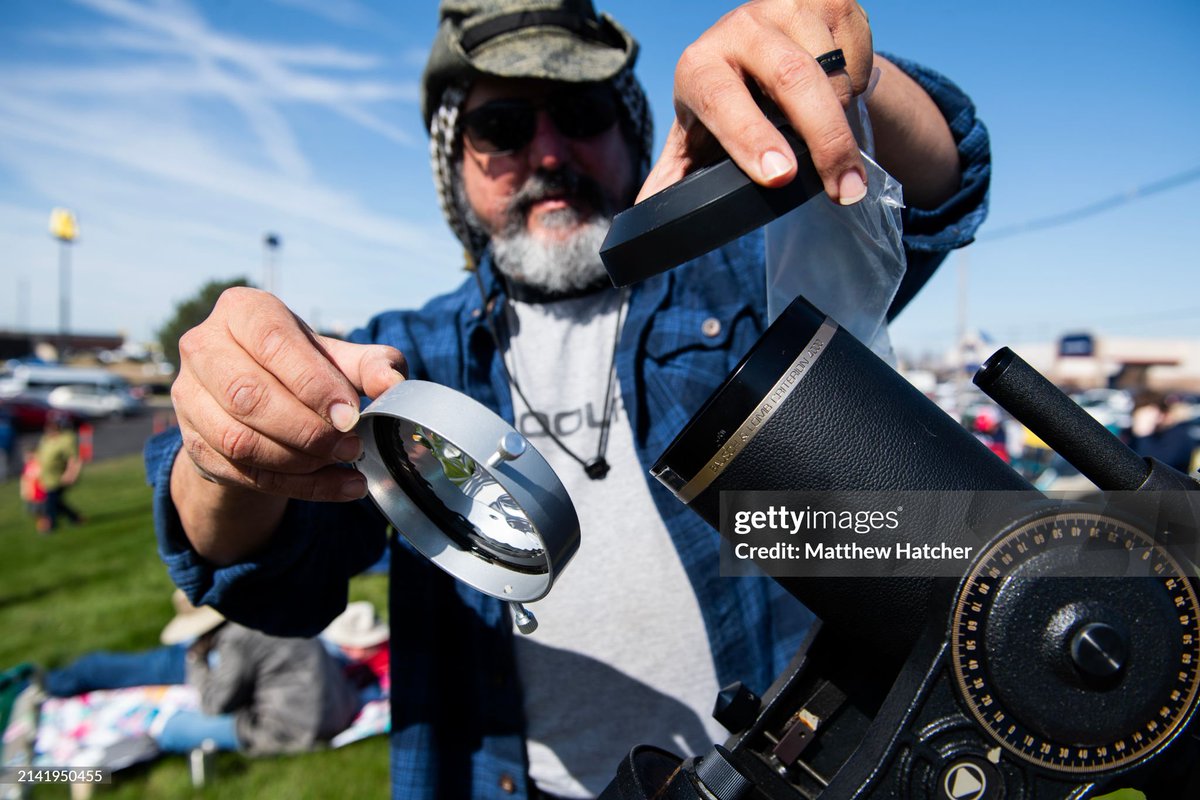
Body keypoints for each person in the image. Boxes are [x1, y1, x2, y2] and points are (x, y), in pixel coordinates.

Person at [145, 1, 990, 796]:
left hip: (793, 774)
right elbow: (270, 582)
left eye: (580, 114)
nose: (548, 154)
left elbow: (936, 185)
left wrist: (849, 76)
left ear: (631, 130)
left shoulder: (750, 280)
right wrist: (225, 452)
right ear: (456, 161)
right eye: (502, 128)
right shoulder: (404, 357)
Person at [41, 590, 361, 756]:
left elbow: (214, 705)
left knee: (171, 727)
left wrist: (197, 660)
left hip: (293, 729)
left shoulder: (237, 639)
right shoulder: (269, 617)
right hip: (339, 709)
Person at [35, 410, 83, 532]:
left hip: (59, 476)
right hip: (46, 477)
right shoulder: (46, 438)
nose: (49, 426)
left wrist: (71, 474)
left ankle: (51, 524)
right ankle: (75, 517)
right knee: (56, 501)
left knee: (51, 501)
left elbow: (74, 459)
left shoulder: (67, 438)